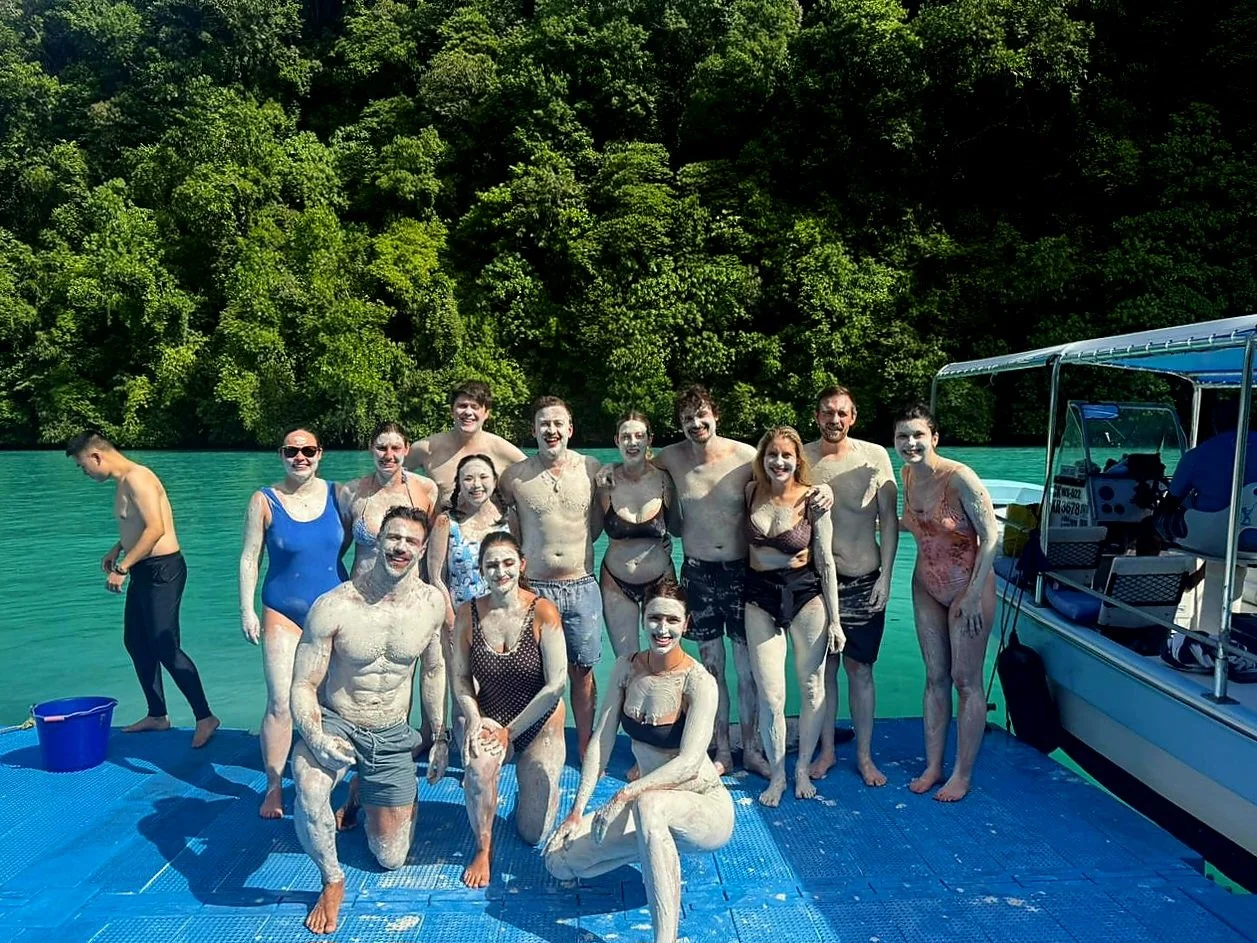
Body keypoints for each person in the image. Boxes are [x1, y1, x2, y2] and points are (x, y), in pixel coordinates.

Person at [544, 581, 733, 943]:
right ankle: (650, 849)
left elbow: (689, 763)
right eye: (655, 618)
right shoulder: (626, 667)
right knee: (557, 860)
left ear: (687, 624)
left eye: (672, 620)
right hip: (646, 804)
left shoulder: (698, 682)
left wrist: (625, 793)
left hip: (703, 807)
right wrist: (576, 811)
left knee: (649, 805)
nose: (663, 629)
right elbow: (601, 741)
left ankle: (666, 938)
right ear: (644, 618)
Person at [290, 506, 445, 934]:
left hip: (391, 730)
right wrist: (316, 737)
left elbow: (434, 671)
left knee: (390, 857)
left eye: (411, 541)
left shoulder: (431, 604)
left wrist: (439, 737)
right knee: (309, 786)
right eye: (393, 538)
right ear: (378, 541)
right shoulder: (334, 606)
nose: (400, 547)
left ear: (423, 549)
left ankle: (364, 793)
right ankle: (331, 880)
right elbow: (302, 684)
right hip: (338, 722)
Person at [66, 431, 219, 748]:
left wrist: (122, 567)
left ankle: (205, 717)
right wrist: (118, 547)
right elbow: (136, 525)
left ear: (96, 456)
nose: (85, 472)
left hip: (163, 570)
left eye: (83, 466)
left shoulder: (138, 478)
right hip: (144, 569)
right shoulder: (123, 482)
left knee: (165, 646)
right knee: (136, 642)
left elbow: (156, 529)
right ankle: (157, 715)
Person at [652, 386, 764, 777]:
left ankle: (752, 747)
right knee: (711, 671)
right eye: (687, 419)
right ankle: (722, 749)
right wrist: (607, 478)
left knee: (748, 670)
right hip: (697, 574)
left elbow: (786, 479)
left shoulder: (745, 457)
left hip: (741, 573)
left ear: (716, 416)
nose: (696, 424)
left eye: (702, 416)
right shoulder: (672, 457)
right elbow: (636, 467)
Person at [239, 427, 348, 819]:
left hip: (332, 612)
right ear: (281, 455)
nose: (300, 457)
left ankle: (332, 783)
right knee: (281, 701)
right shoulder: (264, 500)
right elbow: (250, 557)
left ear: (320, 454)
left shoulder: (339, 495)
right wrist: (246, 609)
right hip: (282, 610)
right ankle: (273, 786)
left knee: (333, 703)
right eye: (291, 451)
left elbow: (366, 539)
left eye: (308, 450)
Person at [895, 404, 998, 803]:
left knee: (965, 681)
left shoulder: (960, 479)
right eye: (903, 436)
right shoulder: (906, 475)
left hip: (967, 587)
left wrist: (972, 594)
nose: (910, 443)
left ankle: (962, 773)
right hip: (926, 587)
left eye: (918, 435)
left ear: (934, 438)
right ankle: (934, 765)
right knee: (934, 677)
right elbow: (914, 525)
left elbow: (991, 536)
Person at [452, 532, 567, 889]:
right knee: (477, 772)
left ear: (522, 565)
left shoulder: (543, 611)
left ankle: (536, 788)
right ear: (481, 570)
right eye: (491, 565)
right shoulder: (467, 614)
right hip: (490, 716)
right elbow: (459, 678)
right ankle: (483, 847)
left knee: (534, 834)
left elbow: (557, 684)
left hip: (540, 722)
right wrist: (474, 718)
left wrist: (511, 732)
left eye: (507, 563)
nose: (500, 571)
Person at [742, 427, 844, 806]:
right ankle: (778, 775)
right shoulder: (751, 492)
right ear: (763, 458)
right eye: (772, 454)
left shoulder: (814, 500)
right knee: (771, 695)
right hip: (759, 596)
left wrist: (836, 621)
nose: (779, 462)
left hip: (805, 595)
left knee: (812, 686)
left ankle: (802, 767)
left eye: (786, 455)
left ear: (798, 460)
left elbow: (826, 561)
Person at [498, 396, 604, 755]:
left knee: (582, 671)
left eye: (558, 423)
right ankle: (533, 742)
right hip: (535, 587)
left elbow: (599, 524)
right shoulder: (514, 477)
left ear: (570, 429)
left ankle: (586, 744)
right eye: (544, 424)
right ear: (533, 430)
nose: (551, 430)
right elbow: (500, 526)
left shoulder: (591, 469)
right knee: (532, 673)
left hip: (581, 583)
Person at [804, 387, 898, 787]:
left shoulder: (874, 456)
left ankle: (863, 755)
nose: (835, 420)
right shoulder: (802, 458)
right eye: (827, 412)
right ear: (816, 415)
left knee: (861, 670)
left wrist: (887, 577)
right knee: (824, 669)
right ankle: (826, 750)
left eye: (842, 413)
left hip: (865, 578)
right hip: (816, 582)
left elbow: (889, 520)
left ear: (853, 416)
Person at [339, 421, 447, 771]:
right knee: (365, 671)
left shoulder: (426, 489)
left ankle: (427, 737)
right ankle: (359, 738)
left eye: (395, 448)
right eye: (381, 447)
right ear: (371, 449)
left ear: (406, 450)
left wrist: (438, 588)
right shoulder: (352, 492)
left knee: (414, 668)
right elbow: (337, 548)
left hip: (410, 594)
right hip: (362, 597)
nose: (388, 455)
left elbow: (435, 545)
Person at [427, 454, 512, 749]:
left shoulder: (508, 520)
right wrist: (452, 621)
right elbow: (436, 577)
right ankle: (467, 758)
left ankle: (494, 750)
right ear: (459, 485)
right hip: (460, 621)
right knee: (464, 696)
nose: (476, 484)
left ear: (494, 481)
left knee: (499, 693)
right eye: (468, 478)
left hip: (502, 620)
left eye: (483, 477)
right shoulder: (446, 522)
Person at [598, 411, 679, 658]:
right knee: (627, 662)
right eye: (625, 437)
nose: (632, 442)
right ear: (617, 441)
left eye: (639, 436)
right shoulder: (605, 482)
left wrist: (668, 540)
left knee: (666, 660)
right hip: (616, 582)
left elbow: (678, 527)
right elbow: (587, 530)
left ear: (649, 440)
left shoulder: (665, 481)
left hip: (661, 579)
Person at [407, 381, 527, 508]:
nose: (468, 412)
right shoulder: (426, 448)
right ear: (451, 411)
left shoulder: (504, 451)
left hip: (490, 519)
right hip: (444, 518)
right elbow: (395, 475)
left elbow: (535, 481)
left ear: (486, 413)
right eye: (462, 406)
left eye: (475, 407)